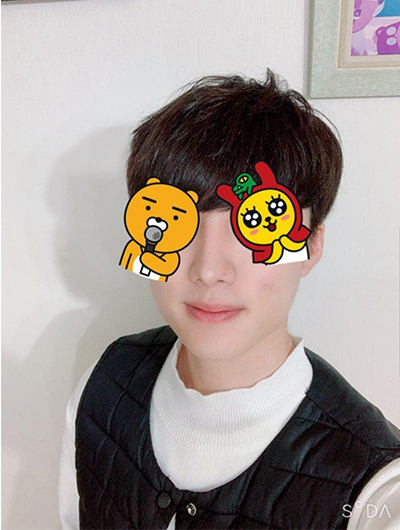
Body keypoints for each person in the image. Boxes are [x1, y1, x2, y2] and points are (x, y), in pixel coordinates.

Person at [58, 69, 400, 529]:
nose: (208, 270)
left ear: (312, 245)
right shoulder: (104, 385)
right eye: (178, 223)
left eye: (253, 227)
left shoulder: (376, 489)